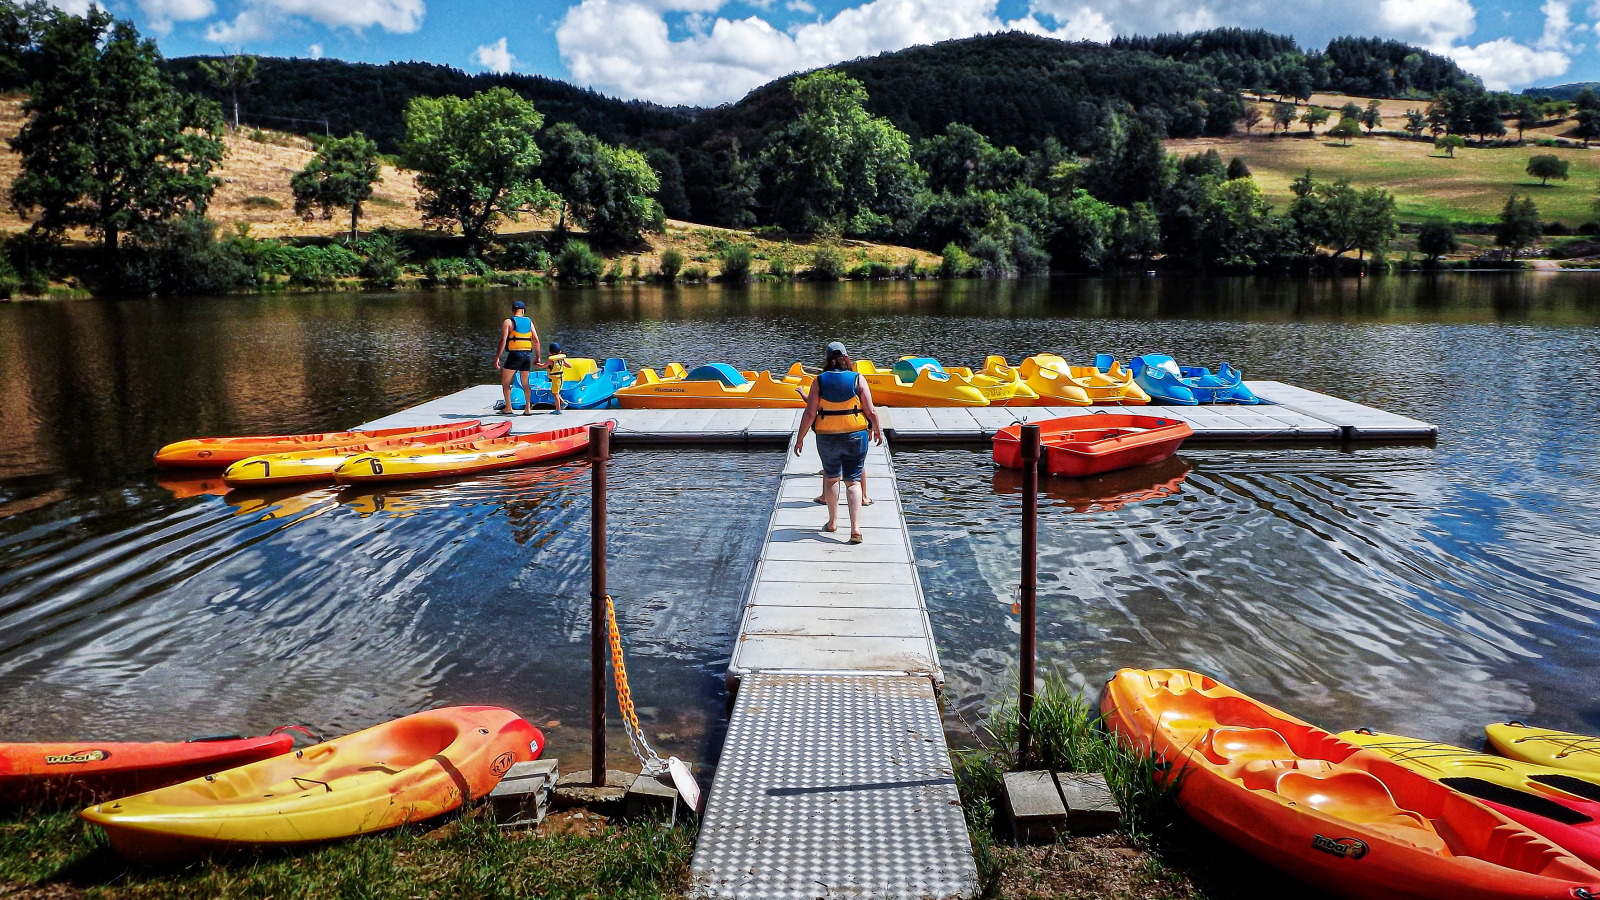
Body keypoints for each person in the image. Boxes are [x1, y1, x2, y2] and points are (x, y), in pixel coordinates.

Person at [794, 341, 883, 544]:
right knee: (853, 480)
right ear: (846, 358)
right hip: (855, 436)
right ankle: (855, 529)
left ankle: (833, 522)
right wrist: (876, 429)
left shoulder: (819, 381)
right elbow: (870, 411)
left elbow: (809, 413)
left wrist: (800, 439)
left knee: (832, 477)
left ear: (827, 360)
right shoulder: (858, 379)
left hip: (826, 436)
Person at [496, 300, 541, 415]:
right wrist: (538, 357)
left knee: (506, 382)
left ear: (512, 310)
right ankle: (527, 409)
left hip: (514, 355)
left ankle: (508, 407)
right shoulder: (529, 321)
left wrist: (497, 357)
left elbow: (503, 340)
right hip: (526, 355)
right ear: (523, 310)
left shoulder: (508, 322)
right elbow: (536, 340)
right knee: (525, 383)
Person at [545, 342, 570, 415]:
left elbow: (543, 366)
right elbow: (569, 365)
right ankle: (563, 402)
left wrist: (537, 364)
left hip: (556, 379)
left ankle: (558, 410)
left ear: (550, 352)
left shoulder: (551, 361)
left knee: (555, 393)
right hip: (560, 378)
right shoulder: (561, 359)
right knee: (554, 392)